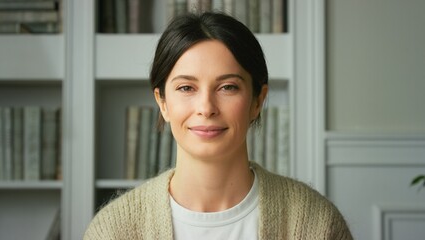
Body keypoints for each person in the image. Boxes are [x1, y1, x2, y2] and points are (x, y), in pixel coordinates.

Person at [84, 12, 353, 240]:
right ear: (162, 103)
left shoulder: (316, 225)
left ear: (258, 100)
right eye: (186, 87)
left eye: (228, 87)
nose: (206, 107)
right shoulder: (113, 231)